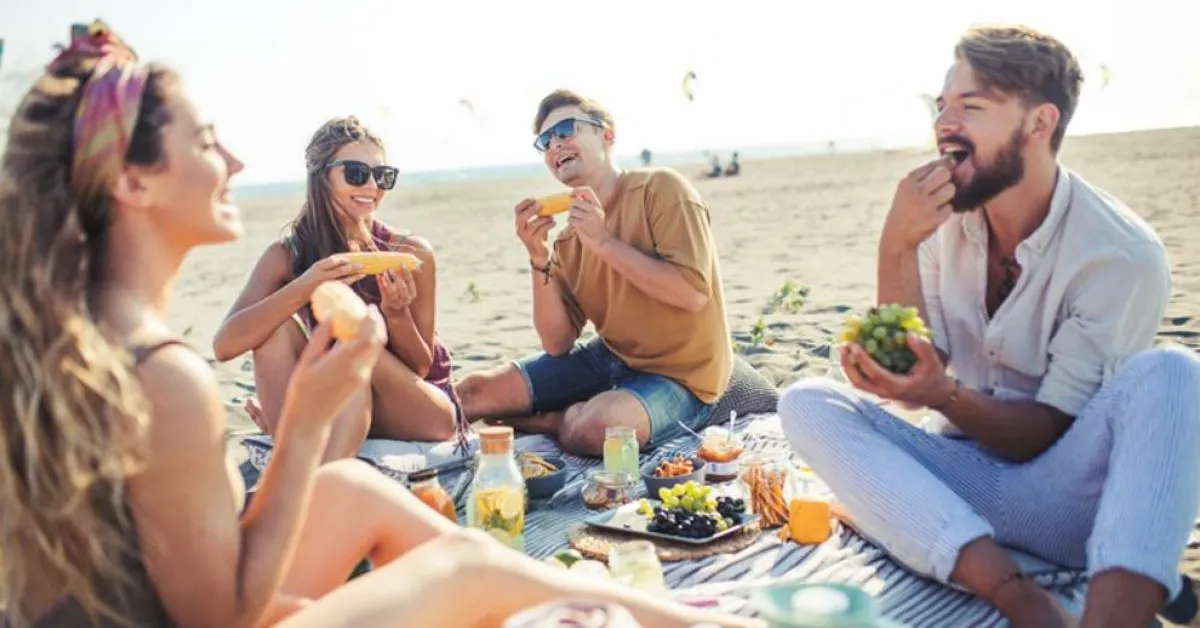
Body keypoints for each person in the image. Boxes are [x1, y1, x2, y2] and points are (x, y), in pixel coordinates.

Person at [0, 22, 764, 628]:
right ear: (131, 181)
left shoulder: (72, 330)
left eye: (380, 175)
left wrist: (387, 332)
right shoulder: (166, 377)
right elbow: (219, 614)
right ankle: (678, 622)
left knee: (358, 494)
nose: (234, 160)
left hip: (133, 605)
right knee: (457, 568)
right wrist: (303, 423)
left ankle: (655, 615)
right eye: (206, 143)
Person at [777, 25, 1200, 628]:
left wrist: (942, 394)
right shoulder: (940, 220)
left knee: (1173, 371)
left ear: (1039, 123)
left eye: (971, 107)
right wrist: (896, 244)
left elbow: (1041, 436)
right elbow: (904, 367)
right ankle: (1019, 595)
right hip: (960, 478)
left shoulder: (1120, 254)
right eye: (943, 105)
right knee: (806, 402)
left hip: (1067, 499)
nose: (945, 121)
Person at [456, 89, 734, 456]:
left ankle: (552, 421)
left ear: (607, 135)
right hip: (612, 357)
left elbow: (692, 293)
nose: (555, 144)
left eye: (566, 130)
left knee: (598, 429)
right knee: (470, 394)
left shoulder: (662, 189)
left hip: (685, 376)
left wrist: (603, 243)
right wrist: (538, 256)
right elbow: (557, 343)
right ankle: (565, 410)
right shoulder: (569, 240)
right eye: (545, 141)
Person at [212, 115, 464, 461]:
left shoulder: (409, 252)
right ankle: (301, 451)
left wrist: (396, 313)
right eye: (356, 173)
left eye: (383, 176)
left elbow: (421, 367)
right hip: (339, 404)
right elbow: (226, 344)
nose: (372, 187)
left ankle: (312, 465)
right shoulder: (287, 256)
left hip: (421, 411)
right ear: (321, 176)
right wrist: (306, 284)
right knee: (274, 328)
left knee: (353, 346)